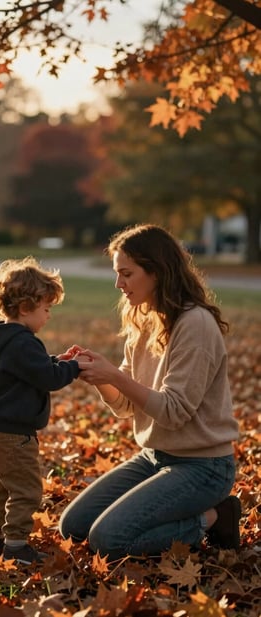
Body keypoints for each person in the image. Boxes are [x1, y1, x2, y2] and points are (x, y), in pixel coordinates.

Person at [59, 224, 241, 560]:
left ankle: (214, 517)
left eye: (127, 274)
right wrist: (103, 380)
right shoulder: (144, 319)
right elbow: (127, 406)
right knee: (72, 526)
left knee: (109, 541)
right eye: (117, 274)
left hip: (203, 466)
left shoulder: (195, 325)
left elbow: (174, 412)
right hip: (156, 457)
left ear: (156, 271)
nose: (119, 284)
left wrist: (115, 375)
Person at [0, 256, 80, 564]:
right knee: (27, 491)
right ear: (25, 308)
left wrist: (57, 360)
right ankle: (16, 547)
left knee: (2, 488)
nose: (48, 316)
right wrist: (73, 367)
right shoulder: (23, 343)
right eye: (45, 309)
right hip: (14, 435)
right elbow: (47, 379)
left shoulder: (3, 340)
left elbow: (30, 371)